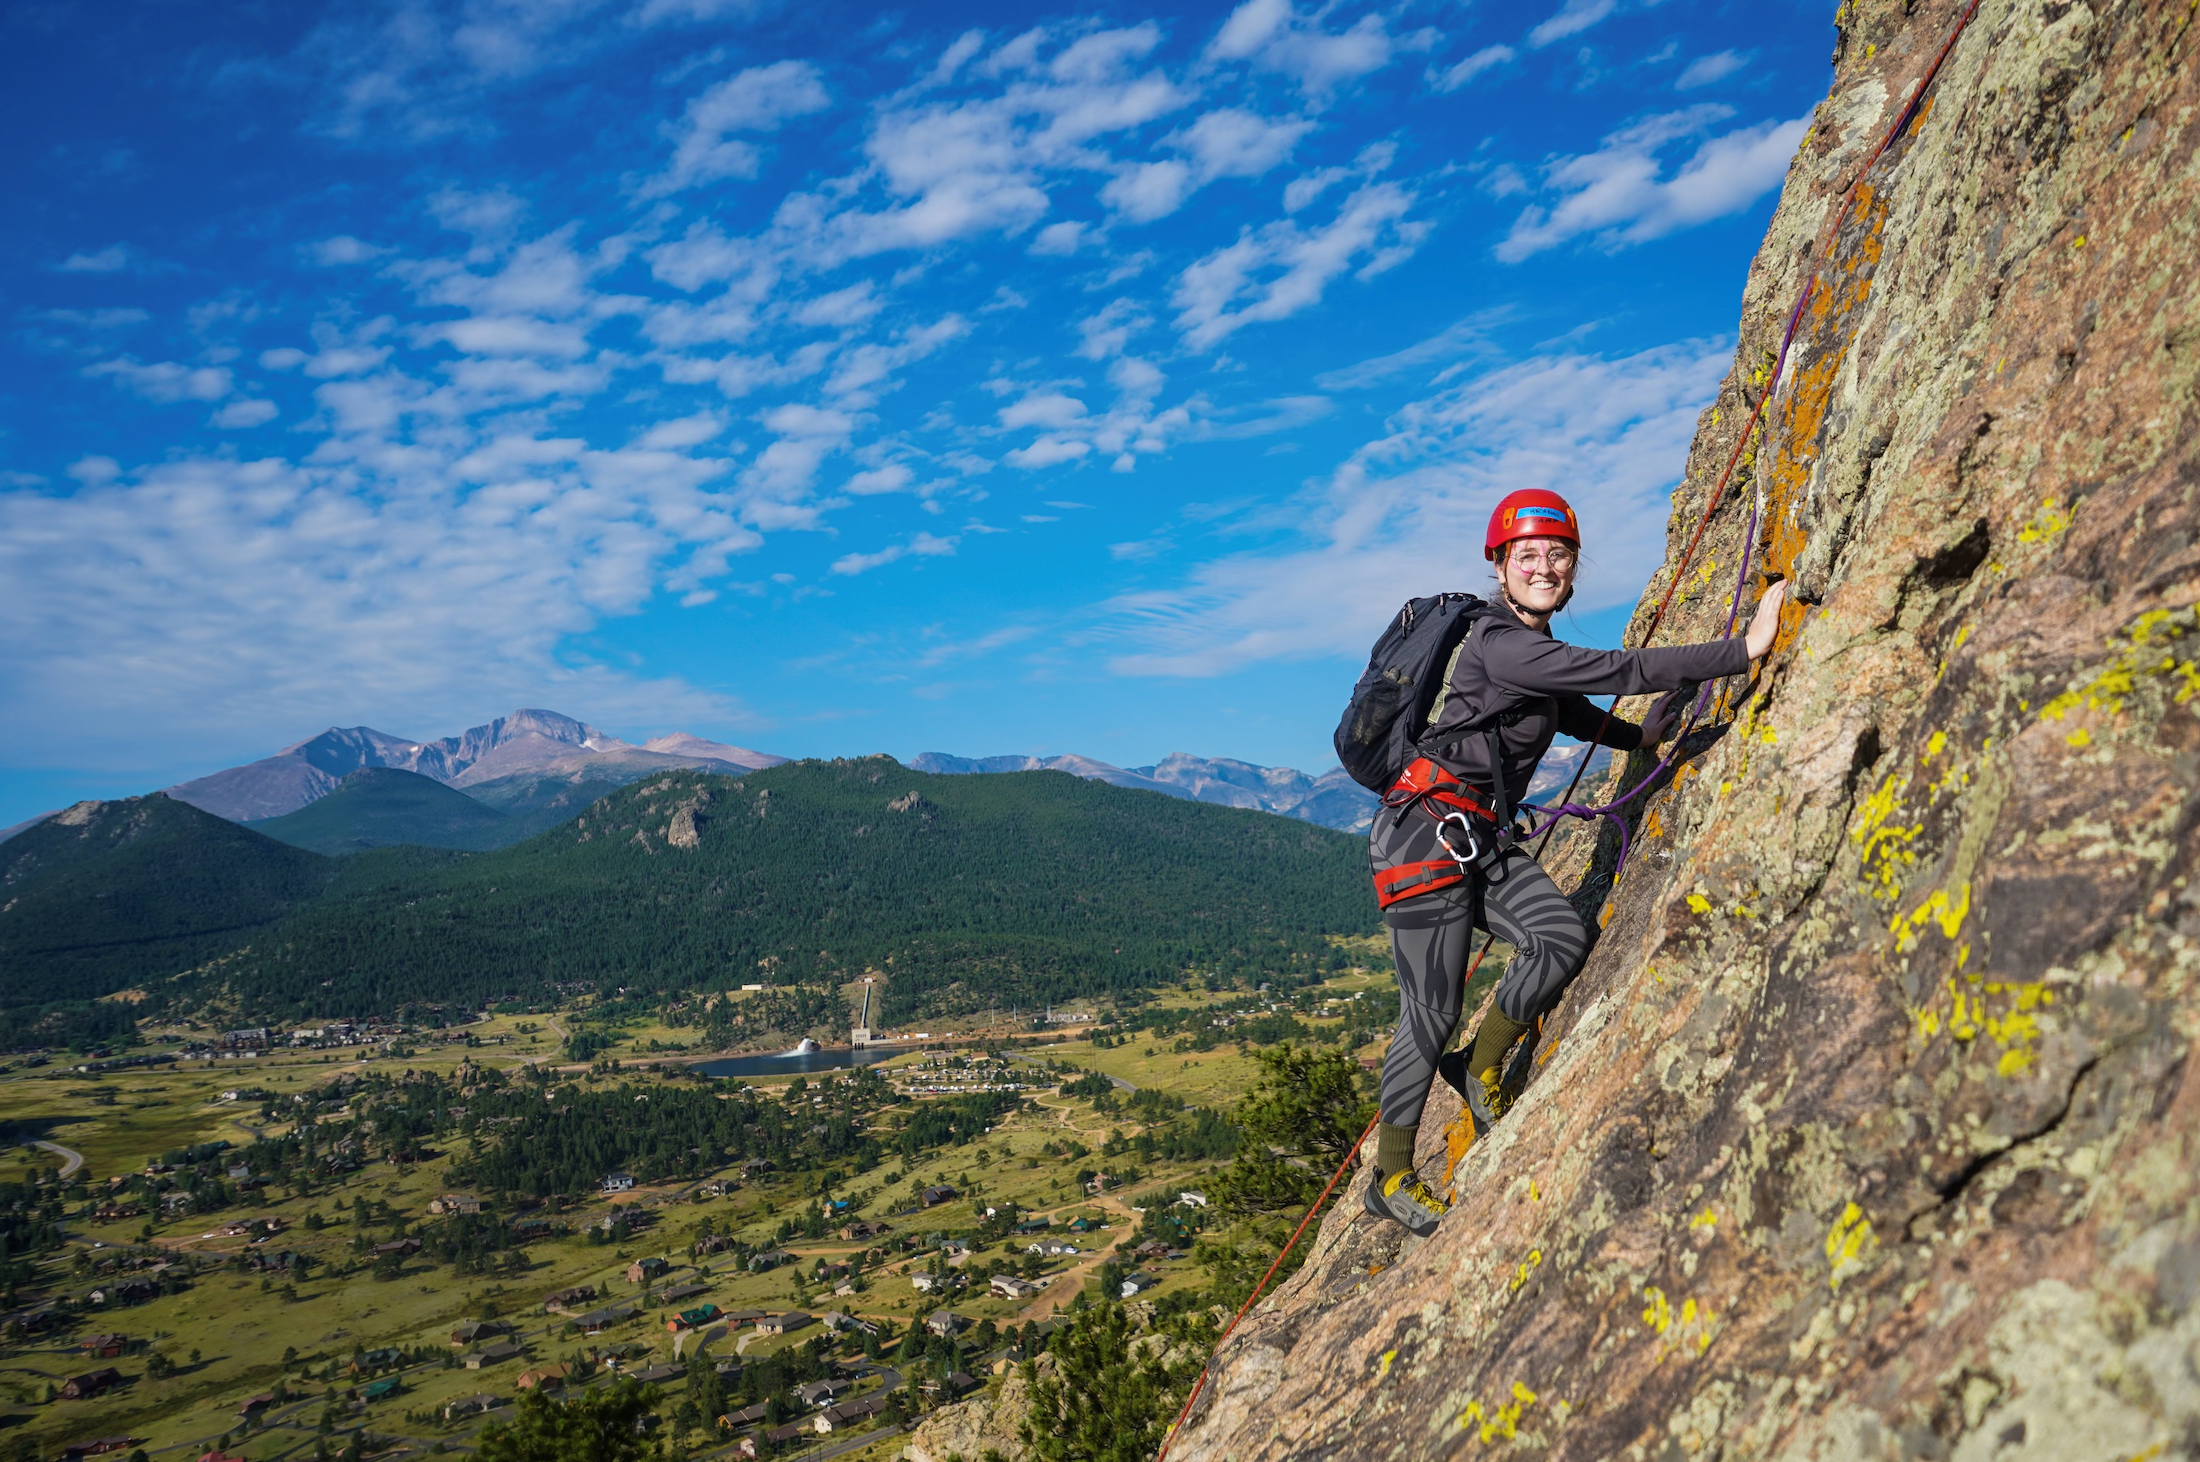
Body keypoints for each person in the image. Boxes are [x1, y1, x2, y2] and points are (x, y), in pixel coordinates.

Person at [1363, 488, 1786, 1235]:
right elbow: (1615, 671)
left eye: (1558, 555)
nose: (1545, 567)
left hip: (1476, 841)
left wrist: (1638, 743)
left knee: (1560, 937)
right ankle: (1391, 1173)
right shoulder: (1501, 641)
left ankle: (1478, 1065)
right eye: (1527, 555)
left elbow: (1568, 708)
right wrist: (1741, 650)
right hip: (1425, 844)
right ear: (1499, 565)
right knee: (1429, 1011)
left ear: (1572, 568)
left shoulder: (1523, 652)